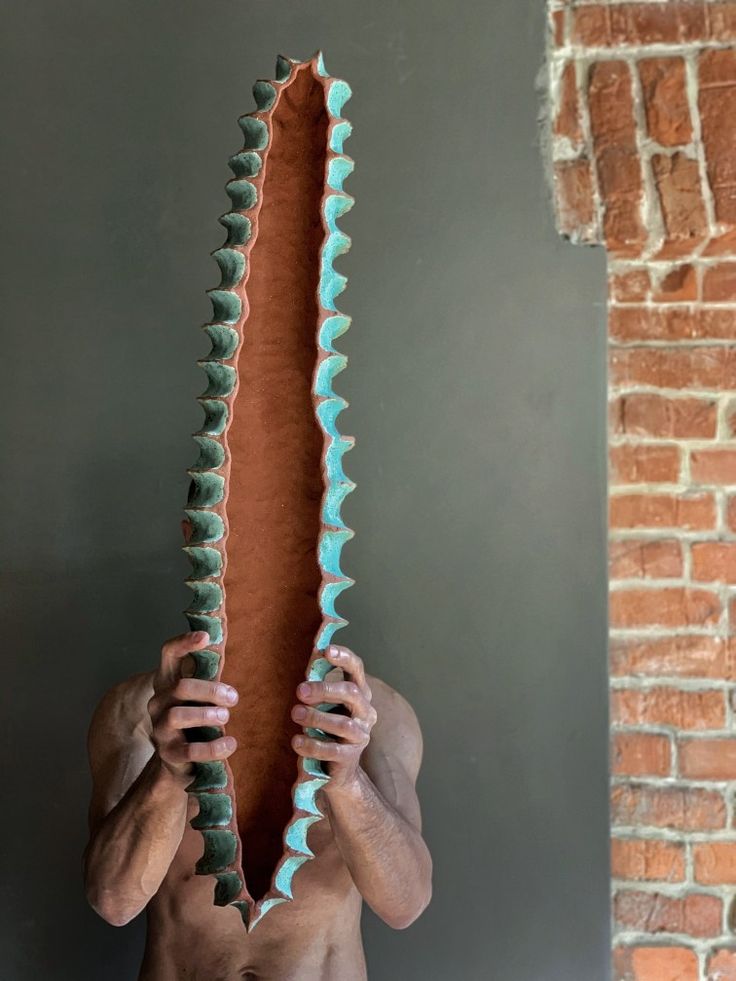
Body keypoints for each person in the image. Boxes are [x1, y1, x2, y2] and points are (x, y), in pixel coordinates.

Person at [83, 620, 432, 980]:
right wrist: (167, 772)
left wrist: (349, 783)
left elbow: (405, 903)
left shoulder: (371, 715)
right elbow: (114, 901)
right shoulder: (145, 708)